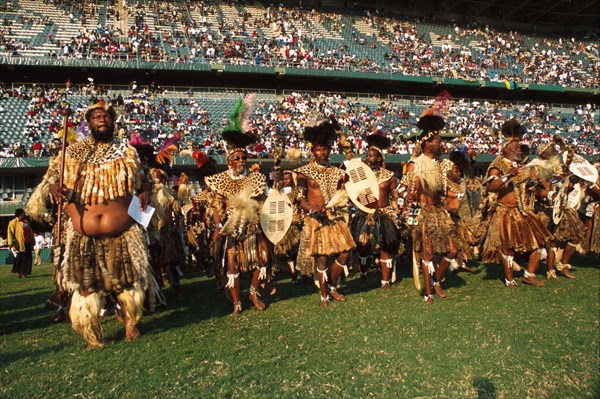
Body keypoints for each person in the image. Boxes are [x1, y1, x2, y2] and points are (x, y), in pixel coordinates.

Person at [26, 99, 154, 349]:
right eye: (96, 116)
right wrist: (54, 186)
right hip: (83, 234)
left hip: (123, 231)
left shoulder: (126, 151)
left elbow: (145, 178)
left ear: (113, 121)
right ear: (88, 122)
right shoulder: (71, 153)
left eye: (106, 116)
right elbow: (51, 178)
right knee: (85, 285)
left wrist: (146, 191)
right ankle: (92, 333)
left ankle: (130, 322)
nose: (102, 119)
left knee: (126, 280)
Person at [205, 97, 270, 315]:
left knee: (261, 261)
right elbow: (215, 206)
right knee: (231, 267)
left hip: (252, 228)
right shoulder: (219, 179)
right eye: (238, 157)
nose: (242, 160)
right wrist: (219, 226)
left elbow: (262, 202)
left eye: (244, 157)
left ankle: (253, 292)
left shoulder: (257, 179)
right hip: (229, 230)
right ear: (230, 160)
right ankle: (236, 303)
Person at [480, 119, 553, 288]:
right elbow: (492, 186)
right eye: (516, 145)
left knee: (539, 243)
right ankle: (509, 279)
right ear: (506, 148)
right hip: (505, 212)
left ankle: (529, 274)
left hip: (523, 211)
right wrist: (508, 175)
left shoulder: (521, 166)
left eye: (520, 145)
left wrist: (541, 187)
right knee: (508, 248)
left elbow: (534, 189)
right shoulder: (497, 165)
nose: (520, 148)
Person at [295, 118, 356, 307]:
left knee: (344, 253)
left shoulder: (337, 172)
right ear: (312, 151)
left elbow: (347, 189)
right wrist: (311, 209)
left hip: (335, 218)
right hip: (316, 220)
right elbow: (299, 198)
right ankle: (324, 296)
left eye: (326, 149)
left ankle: (330, 285)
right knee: (321, 258)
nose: (323, 152)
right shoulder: (304, 172)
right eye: (319, 149)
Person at [399, 109, 458, 303]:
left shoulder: (442, 165)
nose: (441, 144)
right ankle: (429, 292)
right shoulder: (415, 164)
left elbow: (447, 189)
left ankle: (436, 280)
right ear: (427, 143)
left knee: (452, 250)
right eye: (438, 141)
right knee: (428, 253)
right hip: (422, 212)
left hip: (439, 212)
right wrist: (408, 196)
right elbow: (402, 189)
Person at [351, 132, 402, 289]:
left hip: (385, 213)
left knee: (386, 246)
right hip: (365, 214)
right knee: (363, 246)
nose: (368, 158)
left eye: (372, 156)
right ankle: (364, 274)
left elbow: (395, 194)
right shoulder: (361, 175)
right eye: (367, 155)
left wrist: (399, 207)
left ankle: (385, 281)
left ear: (379, 158)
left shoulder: (389, 176)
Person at [148, 168, 186, 296]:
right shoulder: (146, 194)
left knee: (172, 260)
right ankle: (158, 288)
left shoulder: (170, 193)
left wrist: (175, 224)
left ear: (163, 179)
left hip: (167, 231)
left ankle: (176, 284)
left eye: (156, 177)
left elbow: (177, 212)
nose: (154, 179)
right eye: (152, 178)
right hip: (152, 232)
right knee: (155, 261)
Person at [7, 208, 33, 278]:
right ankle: (19, 272)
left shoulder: (26, 222)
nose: (24, 214)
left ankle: (24, 273)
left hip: (27, 242)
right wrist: (10, 242)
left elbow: (30, 232)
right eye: (23, 213)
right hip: (19, 244)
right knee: (19, 259)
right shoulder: (13, 222)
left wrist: (32, 241)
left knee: (27, 259)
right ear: (20, 214)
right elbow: (10, 233)